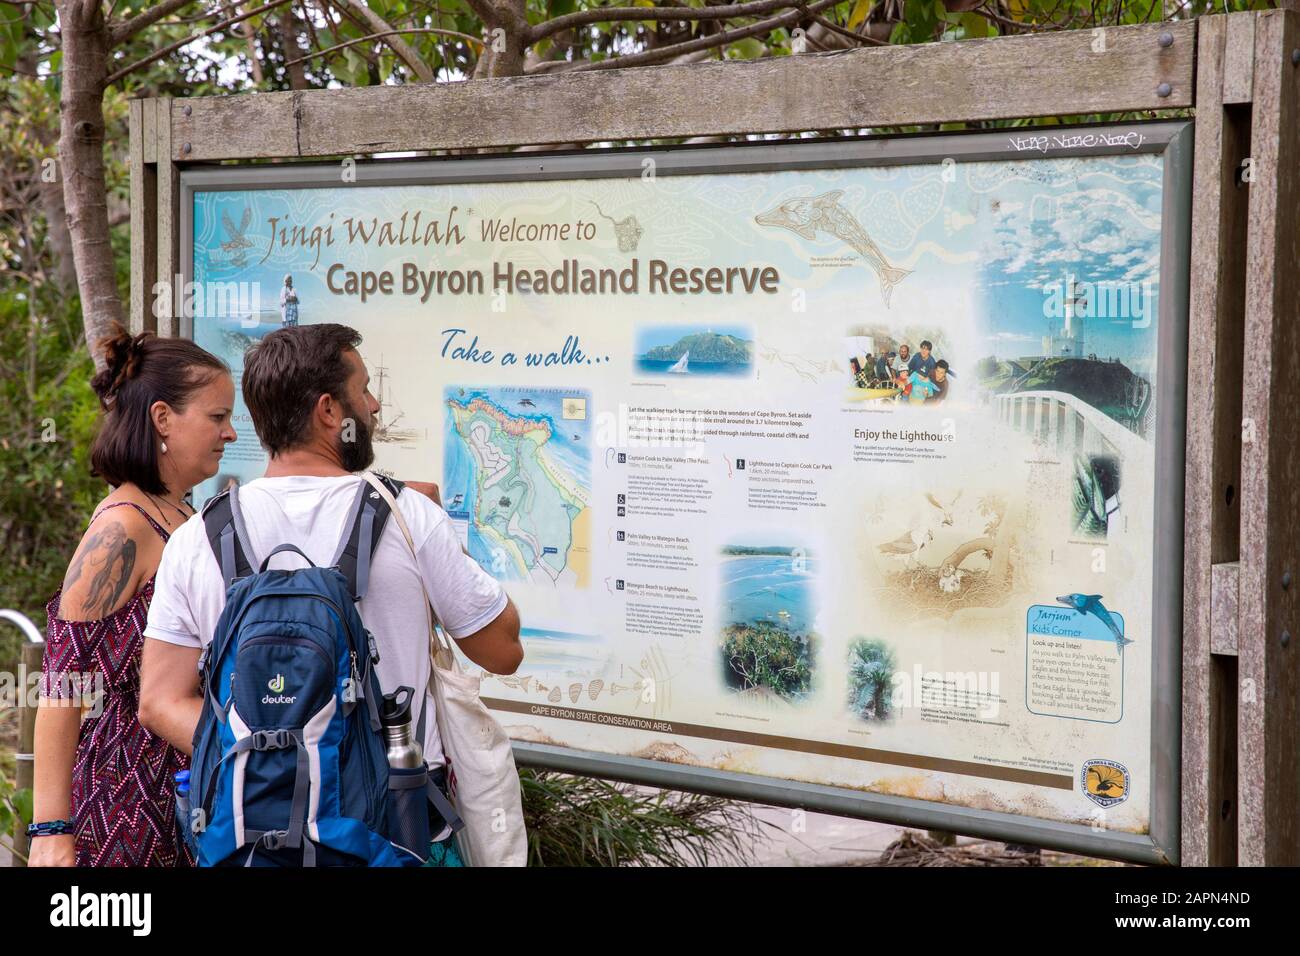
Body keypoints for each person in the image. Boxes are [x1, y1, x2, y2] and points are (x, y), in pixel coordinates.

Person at [138, 323, 522, 867]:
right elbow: (503, 650)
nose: (374, 404)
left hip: (258, 841)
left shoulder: (198, 536)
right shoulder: (409, 515)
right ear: (327, 410)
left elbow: (159, 701)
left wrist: (278, 754)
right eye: (362, 390)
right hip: (400, 833)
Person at [31, 327, 237, 867]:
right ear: (163, 418)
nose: (231, 433)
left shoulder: (182, 515)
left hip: (185, 793)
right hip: (125, 805)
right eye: (217, 418)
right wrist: (50, 831)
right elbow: (61, 686)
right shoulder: (123, 527)